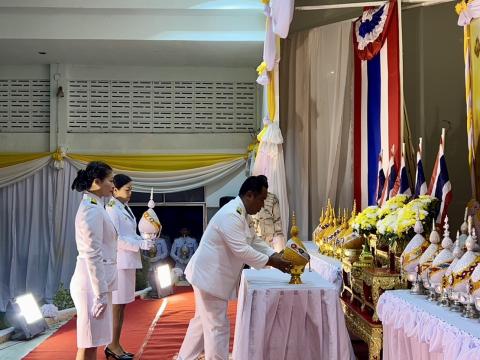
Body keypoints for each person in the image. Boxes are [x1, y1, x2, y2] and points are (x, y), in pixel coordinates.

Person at [177, 175, 292, 360]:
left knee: (202, 322)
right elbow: (242, 250)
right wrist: (273, 262)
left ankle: (184, 357)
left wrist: (273, 254)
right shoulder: (231, 215)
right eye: (262, 199)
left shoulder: (241, 212)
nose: (262, 205)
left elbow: (253, 240)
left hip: (209, 275)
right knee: (217, 327)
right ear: (249, 195)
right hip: (209, 278)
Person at [70, 161, 117, 360]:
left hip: (95, 282)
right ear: (97, 182)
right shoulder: (91, 209)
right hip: (91, 284)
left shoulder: (96, 205)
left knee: (93, 342)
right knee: (89, 342)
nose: (113, 185)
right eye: (110, 180)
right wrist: (100, 293)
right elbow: (92, 254)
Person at [105, 174, 155, 359]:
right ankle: (113, 346)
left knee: (121, 306)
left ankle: (116, 344)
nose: (130, 193)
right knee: (117, 306)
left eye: (131, 189)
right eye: (127, 189)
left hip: (127, 262)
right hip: (119, 263)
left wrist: (143, 240)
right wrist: (140, 244)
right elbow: (115, 238)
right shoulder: (111, 209)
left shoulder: (124, 207)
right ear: (115, 190)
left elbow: (130, 234)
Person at [250, 176, 285, 252]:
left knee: (270, 257)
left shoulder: (273, 198)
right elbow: (252, 218)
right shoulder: (254, 197)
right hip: (257, 235)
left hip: (270, 236)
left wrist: (279, 237)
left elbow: (277, 219)